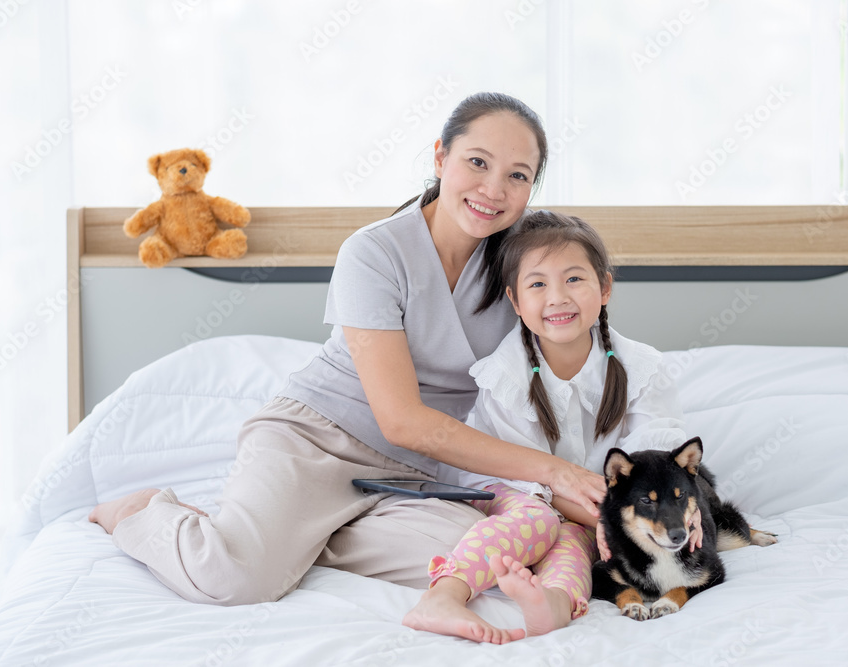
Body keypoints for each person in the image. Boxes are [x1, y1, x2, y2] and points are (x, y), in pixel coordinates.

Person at [87, 92, 606, 644]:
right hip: (316, 440)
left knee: (482, 558)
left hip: (414, 477)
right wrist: (552, 472)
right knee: (233, 576)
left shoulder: (520, 270)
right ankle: (143, 512)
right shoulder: (374, 252)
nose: (493, 189)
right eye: (477, 162)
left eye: (518, 175)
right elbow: (403, 421)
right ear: (440, 158)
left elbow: (582, 359)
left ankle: (295, 537)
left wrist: (624, 509)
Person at [404, 210, 701, 639]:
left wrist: (679, 512)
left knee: (576, 541)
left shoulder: (643, 369)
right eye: (538, 284)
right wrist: (607, 519)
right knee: (541, 520)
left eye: (574, 280)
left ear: (604, 287)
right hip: (511, 487)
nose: (557, 297)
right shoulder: (505, 376)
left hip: (587, 512)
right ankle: (444, 596)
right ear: (516, 301)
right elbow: (525, 475)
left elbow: (661, 457)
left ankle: (555, 604)